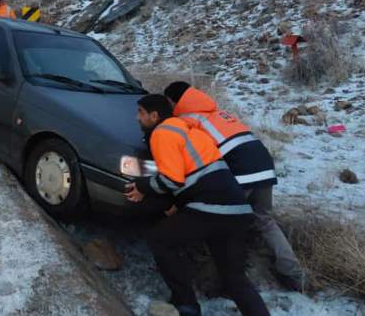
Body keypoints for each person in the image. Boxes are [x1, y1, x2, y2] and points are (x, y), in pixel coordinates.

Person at [125, 94, 269, 316]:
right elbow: (191, 173)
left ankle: (186, 305)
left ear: (154, 116)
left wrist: (142, 186)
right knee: (234, 278)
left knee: (160, 239)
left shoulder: (162, 133)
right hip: (238, 211)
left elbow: (172, 180)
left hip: (210, 209)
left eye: (141, 113)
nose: (137, 118)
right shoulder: (188, 129)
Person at [164, 81, 305, 291]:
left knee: (222, 223)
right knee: (263, 219)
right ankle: (293, 274)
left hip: (240, 168)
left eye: (168, 102)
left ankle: (225, 280)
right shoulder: (218, 113)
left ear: (174, 101)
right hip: (263, 163)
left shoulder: (188, 120)